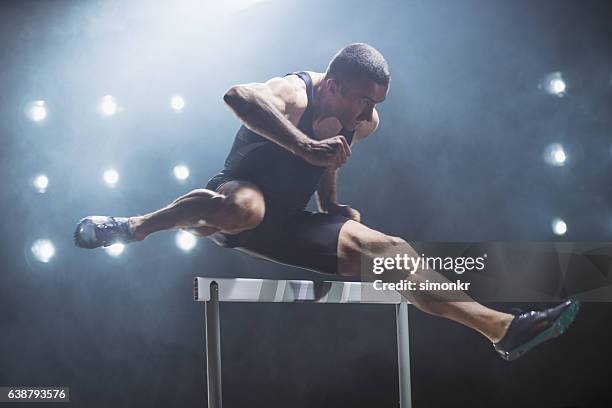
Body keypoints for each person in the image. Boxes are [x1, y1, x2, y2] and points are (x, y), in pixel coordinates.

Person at [74, 43, 579, 361]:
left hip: (295, 219)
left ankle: (503, 329)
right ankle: (136, 225)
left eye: (376, 103)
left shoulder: (365, 119)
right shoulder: (295, 92)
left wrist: (331, 203)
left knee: (391, 250)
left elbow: (326, 161)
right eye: (362, 99)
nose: (369, 113)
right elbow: (236, 95)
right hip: (240, 194)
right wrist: (302, 144)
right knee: (245, 209)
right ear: (333, 85)